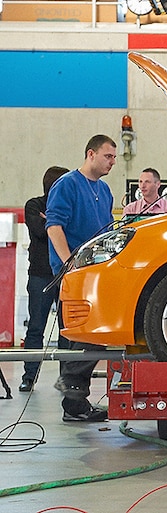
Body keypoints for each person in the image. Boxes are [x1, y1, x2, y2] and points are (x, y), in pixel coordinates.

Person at [47, 134, 117, 422]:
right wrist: (68, 264)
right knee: (81, 334)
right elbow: (54, 226)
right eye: (108, 156)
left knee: (92, 334)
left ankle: (74, 402)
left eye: (114, 157)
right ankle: (73, 400)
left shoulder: (106, 191)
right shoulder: (67, 185)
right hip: (73, 275)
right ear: (91, 154)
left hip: (96, 275)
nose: (112, 161)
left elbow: (107, 233)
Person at [19, 166, 71, 392]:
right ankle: (29, 376)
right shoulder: (34, 205)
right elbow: (42, 231)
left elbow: (70, 230)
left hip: (64, 274)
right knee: (36, 327)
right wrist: (55, 223)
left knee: (66, 329)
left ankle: (66, 378)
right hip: (40, 275)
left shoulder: (68, 206)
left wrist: (51, 221)